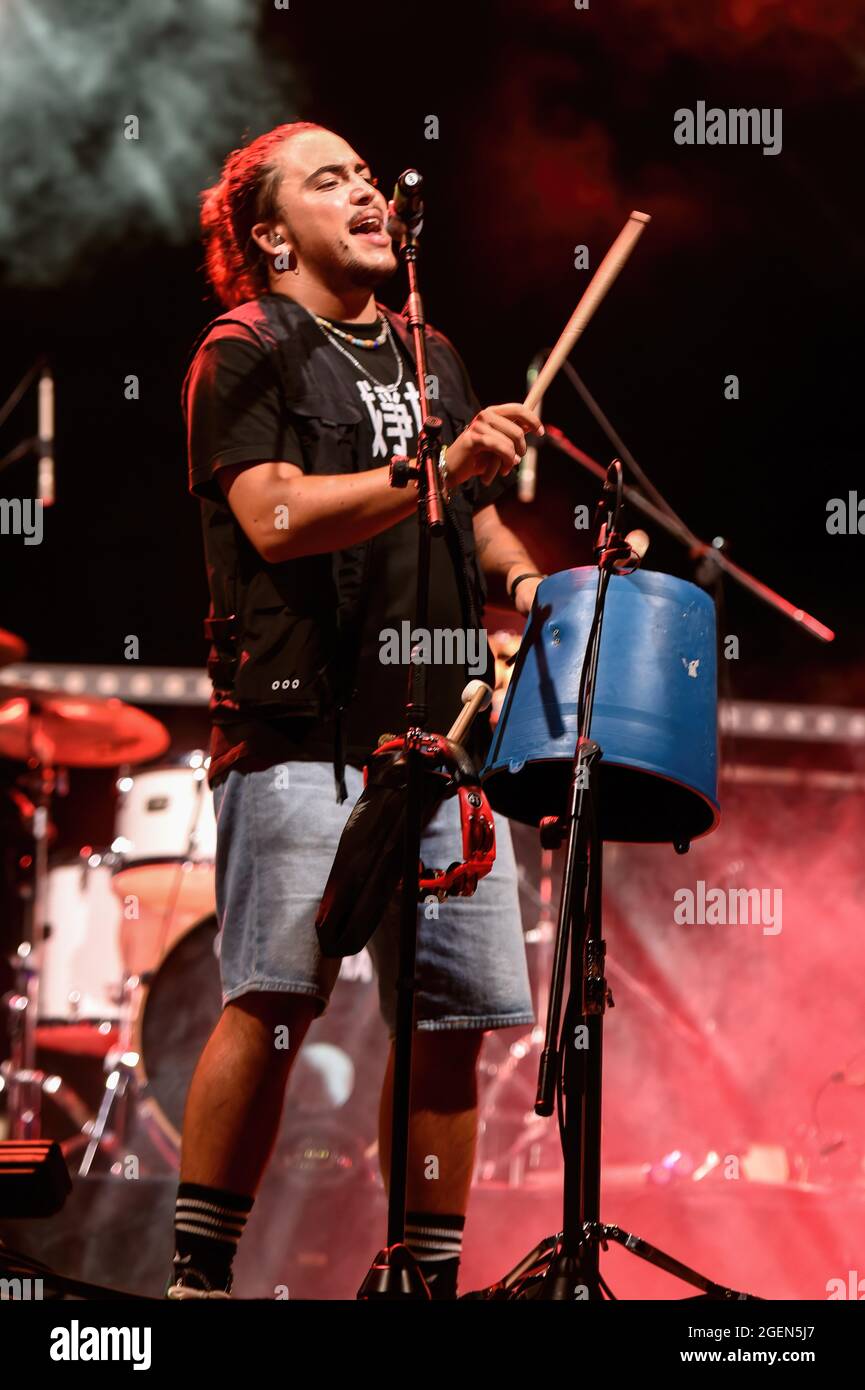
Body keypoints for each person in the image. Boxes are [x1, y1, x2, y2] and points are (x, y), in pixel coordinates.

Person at [170, 120, 546, 1300]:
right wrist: (432, 468)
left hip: (446, 741)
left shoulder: (433, 356)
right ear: (270, 233)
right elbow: (275, 513)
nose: (367, 192)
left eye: (370, 176)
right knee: (276, 997)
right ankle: (200, 1275)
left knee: (452, 1022)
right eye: (329, 180)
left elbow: (468, 521)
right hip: (304, 734)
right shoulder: (245, 351)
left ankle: (421, 1283)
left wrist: (529, 582)